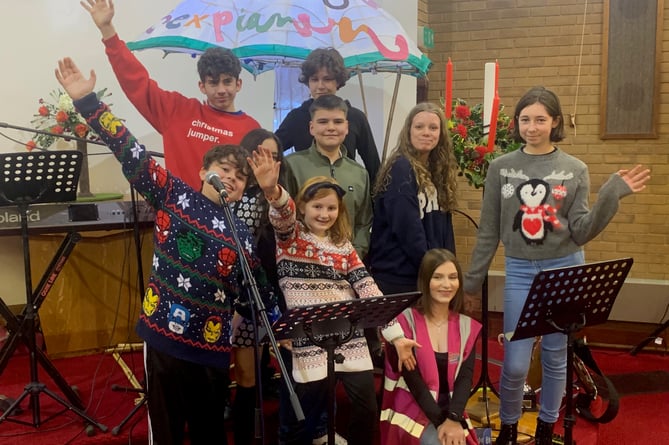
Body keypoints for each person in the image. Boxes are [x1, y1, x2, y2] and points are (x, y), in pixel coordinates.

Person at [55, 57, 276, 445]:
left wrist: (283, 328)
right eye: (223, 169)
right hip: (162, 339)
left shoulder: (241, 233)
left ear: (244, 190)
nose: (230, 179)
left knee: (210, 432)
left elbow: (255, 293)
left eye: (239, 178)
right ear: (203, 170)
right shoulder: (173, 195)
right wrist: (88, 103)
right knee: (168, 432)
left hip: (210, 349)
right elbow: (128, 149)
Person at [462, 86, 650, 445]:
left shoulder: (574, 169)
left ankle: (547, 430)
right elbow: (488, 231)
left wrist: (611, 194)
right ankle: (510, 428)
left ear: (555, 122)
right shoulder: (500, 167)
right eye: (525, 119)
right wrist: (473, 283)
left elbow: (580, 231)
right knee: (515, 362)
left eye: (540, 119)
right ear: (517, 123)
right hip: (519, 270)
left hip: (565, 268)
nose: (531, 127)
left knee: (554, 358)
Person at [247, 145, 412, 445]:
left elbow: (368, 289)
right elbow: (282, 213)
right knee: (306, 418)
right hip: (308, 338)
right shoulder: (291, 237)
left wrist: (396, 336)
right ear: (304, 207)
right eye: (317, 207)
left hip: (349, 337)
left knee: (366, 408)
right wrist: (272, 190)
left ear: (340, 211)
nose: (324, 214)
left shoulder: (345, 246)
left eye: (331, 208)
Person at [81, 0, 260, 189]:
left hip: (227, 217)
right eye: (213, 83)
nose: (222, 90)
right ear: (202, 86)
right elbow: (136, 82)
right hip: (177, 214)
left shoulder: (252, 130)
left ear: (238, 84)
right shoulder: (177, 111)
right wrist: (108, 31)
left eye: (227, 81)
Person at [380, 249, 481, 445]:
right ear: (425, 281)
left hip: (451, 410)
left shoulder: (466, 326)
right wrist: (442, 423)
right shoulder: (404, 323)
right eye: (438, 277)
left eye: (453, 277)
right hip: (413, 408)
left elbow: (465, 379)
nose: (446, 284)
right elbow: (414, 382)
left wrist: (453, 418)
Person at [230, 128, 285, 445]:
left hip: (260, 298)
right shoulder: (230, 192)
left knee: (251, 378)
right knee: (232, 377)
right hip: (224, 297)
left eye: (273, 156)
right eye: (260, 153)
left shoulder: (277, 197)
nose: (266, 160)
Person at [369, 102, 459, 295]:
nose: (426, 132)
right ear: (408, 131)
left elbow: (445, 229)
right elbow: (408, 231)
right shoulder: (401, 168)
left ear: (441, 134)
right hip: (400, 277)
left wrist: (449, 269)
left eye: (433, 128)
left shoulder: (438, 171)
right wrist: (434, 271)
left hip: (430, 273)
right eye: (419, 127)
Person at [283, 94, 373, 259]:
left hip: (348, 264)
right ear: (311, 127)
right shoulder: (292, 165)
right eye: (323, 122)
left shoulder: (359, 173)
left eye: (338, 122)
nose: (331, 128)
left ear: (346, 127)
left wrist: (355, 255)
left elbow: (363, 222)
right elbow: (284, 216)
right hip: (303, 261)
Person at [275, 47, 380, 184]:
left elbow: (374, 168)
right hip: (306, 196)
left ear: (338, 81)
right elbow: (273, 150)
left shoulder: (355, 117)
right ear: (308, 82)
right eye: (314, 79)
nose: (320, 86)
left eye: (327, 79)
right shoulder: (296, 118)